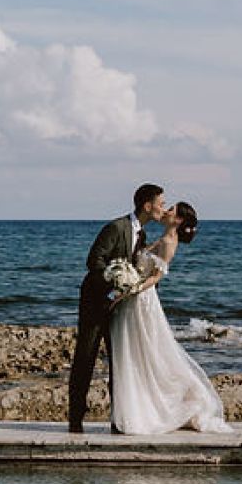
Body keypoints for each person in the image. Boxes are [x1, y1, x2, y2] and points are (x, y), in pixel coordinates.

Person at [107, 200, 232, 435]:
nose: (166, 211)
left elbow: (155, 278)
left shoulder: (167, 242)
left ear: (179, 220)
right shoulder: (162, 238)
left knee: (145, 353)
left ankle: (165, 405)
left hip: (142, 300)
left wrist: (131, 289)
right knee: (139, 353)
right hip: (135, 298)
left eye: (171, 210)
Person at [68, 183, 168, 433]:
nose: (163, 208)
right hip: (95, 303)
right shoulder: (116, 227)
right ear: (147, 206)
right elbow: (94, 260)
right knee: (85, 359)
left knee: (120, 363)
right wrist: (115, 279)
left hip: (122, 308)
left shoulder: (142, 234)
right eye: (161, 203)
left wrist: (133, 287)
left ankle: (119, 420)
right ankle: (75, 420)